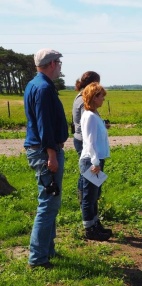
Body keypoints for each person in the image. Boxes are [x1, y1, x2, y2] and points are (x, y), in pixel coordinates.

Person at [24, 48, 68, 268]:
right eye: (59, 62)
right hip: (45, 151)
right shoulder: (43, 88)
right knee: (48, 203)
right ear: (52, 64)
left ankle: (47, 250)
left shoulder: (35, 84)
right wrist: (52, 154)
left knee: (51, 202)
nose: (60, 66)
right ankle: (38, 258)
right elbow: (44, 124)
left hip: (42, 149)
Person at [79, 82, 112, 241]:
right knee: (89, 197)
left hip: (96, 160)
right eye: (101, 96)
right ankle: (89, 229)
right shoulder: (90, 116)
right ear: (93, 97)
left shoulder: (94, 114)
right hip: (91, 161)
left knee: (94, 195)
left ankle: (95, 224)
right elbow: (89, 142)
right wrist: (95, 162)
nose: (103, 99)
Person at [72, 71, 102, 204]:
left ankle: (86, 200)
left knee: (86, 173)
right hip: (85, 141)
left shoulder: (80, 96)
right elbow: (88, 125)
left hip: (81, 139)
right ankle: (86, 201)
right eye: (97, 83)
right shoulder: (84, 99)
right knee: (88, 174)